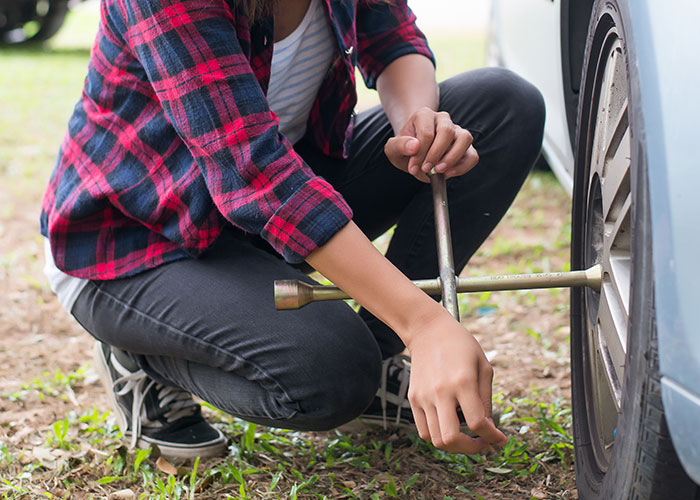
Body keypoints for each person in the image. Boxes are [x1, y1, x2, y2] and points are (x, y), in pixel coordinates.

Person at [41, 0, 545, 459]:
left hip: (264, 206)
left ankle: (381, 366)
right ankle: (144, 352)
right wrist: (425, 324)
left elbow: (391, 37)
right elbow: (253, 170)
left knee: (502, 106)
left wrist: (417, 124)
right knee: (332, 374)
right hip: (135, 240)